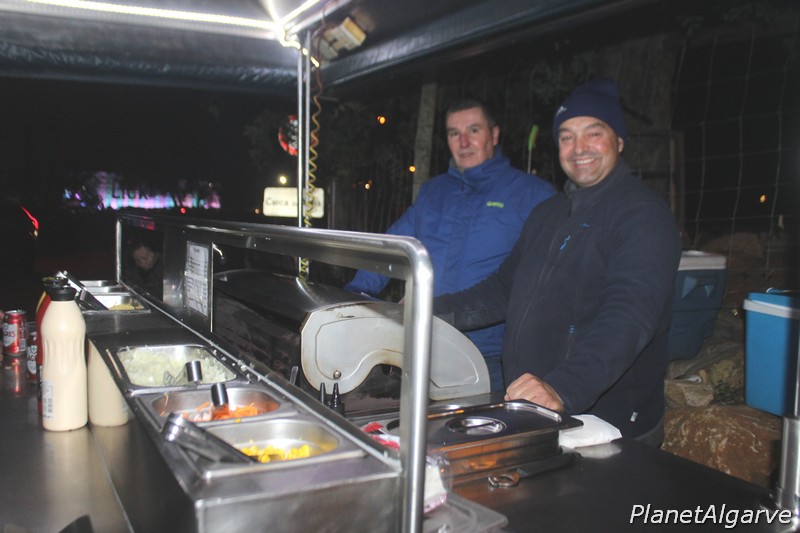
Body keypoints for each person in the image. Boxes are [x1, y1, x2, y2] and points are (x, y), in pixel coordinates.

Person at [434, 78, 682, 445]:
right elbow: (503, 289)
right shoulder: (548, 213)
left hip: (605, 424)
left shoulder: (643, 216)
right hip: (534, 410)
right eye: (567, 137)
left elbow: (629, 317)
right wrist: (428, 311)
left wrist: (563, 388)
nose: (579, 148)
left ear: (619, 140)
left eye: (593, 133)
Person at [344, 99, 555, 392]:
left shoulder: (532, 195)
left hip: (491, 358)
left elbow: (547, 282)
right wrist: (353, 298)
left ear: (494, 135)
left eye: (474, 130)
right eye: (454, 133)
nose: (464, 142)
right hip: (426, 346)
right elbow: (391, 249)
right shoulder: (434, 192)